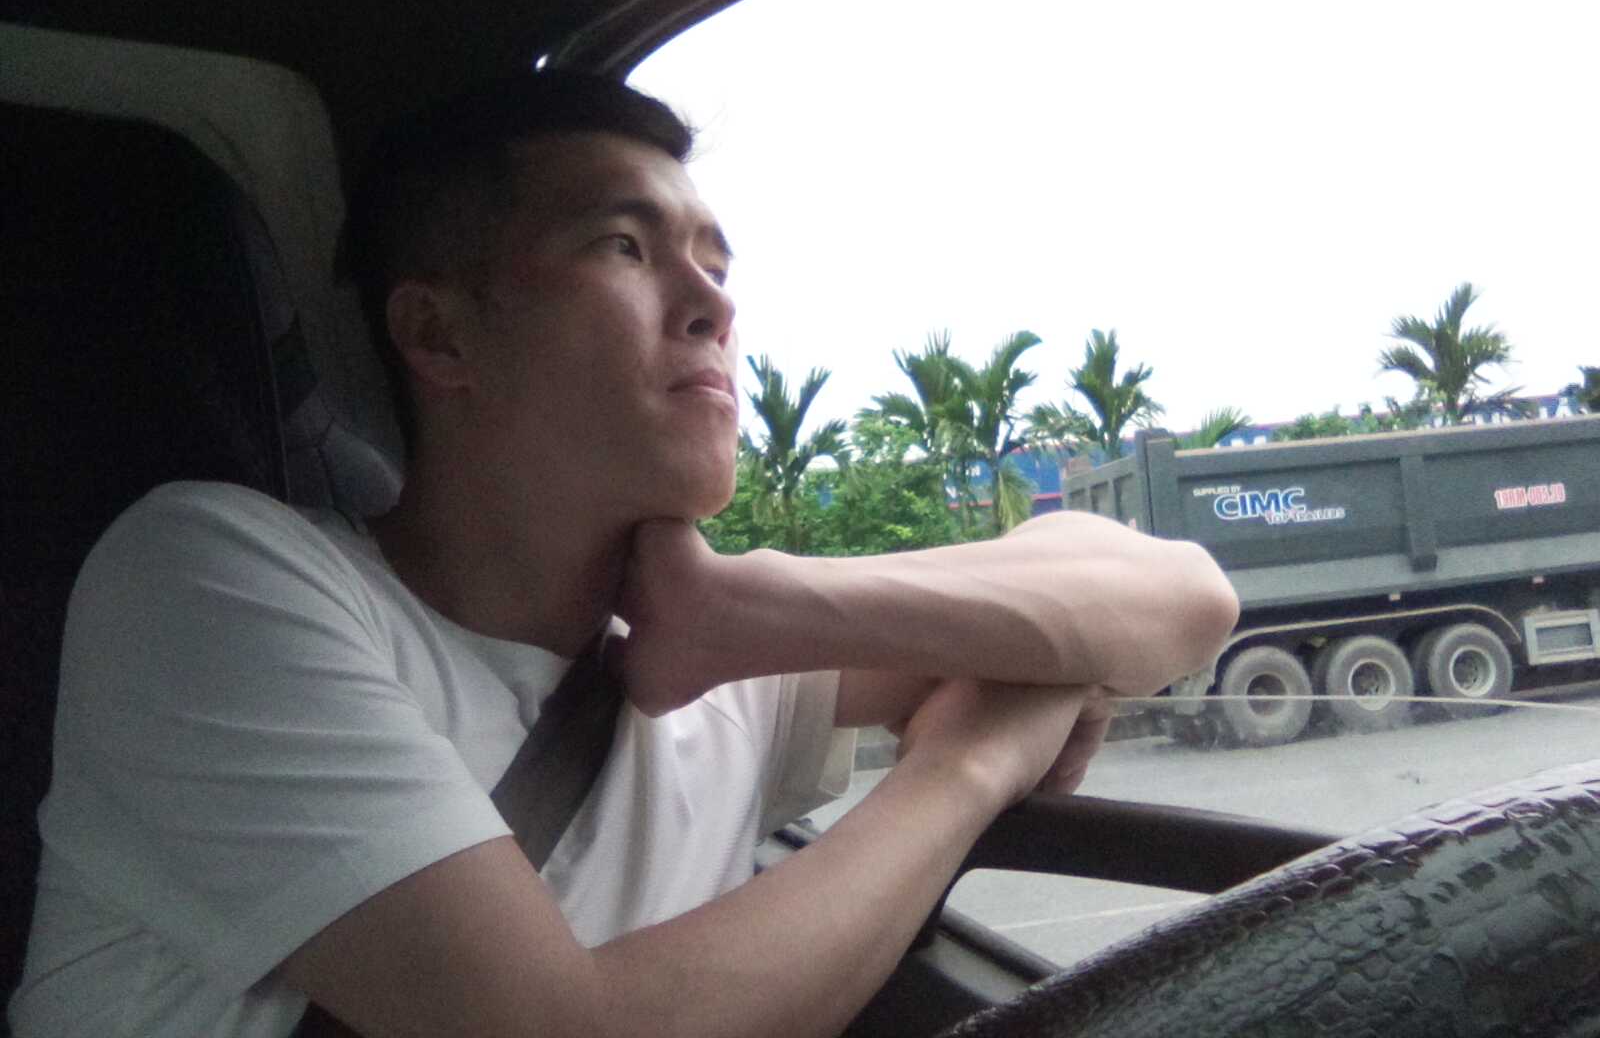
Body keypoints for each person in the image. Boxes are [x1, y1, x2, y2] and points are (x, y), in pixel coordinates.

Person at [9, 72, 1238, 1038]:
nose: (713, 303)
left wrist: (766, 605)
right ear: (438, 335)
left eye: (717, 262)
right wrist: (970, 764)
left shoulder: (720, 657)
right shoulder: (211, 581)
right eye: (625, 247)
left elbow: (1179, 592)